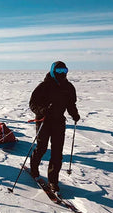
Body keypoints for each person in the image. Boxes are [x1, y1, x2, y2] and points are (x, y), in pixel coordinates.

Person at [29, 61, 80, 193]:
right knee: (42, 147)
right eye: (59, 71)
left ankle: (53, 181)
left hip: (59, 122)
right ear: (53, 71)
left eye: (64, 71)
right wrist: (43, 110)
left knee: (57, 152)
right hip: (44, 121)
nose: (62, 74)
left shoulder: (68, 87)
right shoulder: (44, 86)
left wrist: (74, 114)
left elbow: (71, 104)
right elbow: (32, 104)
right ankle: (34, 168)